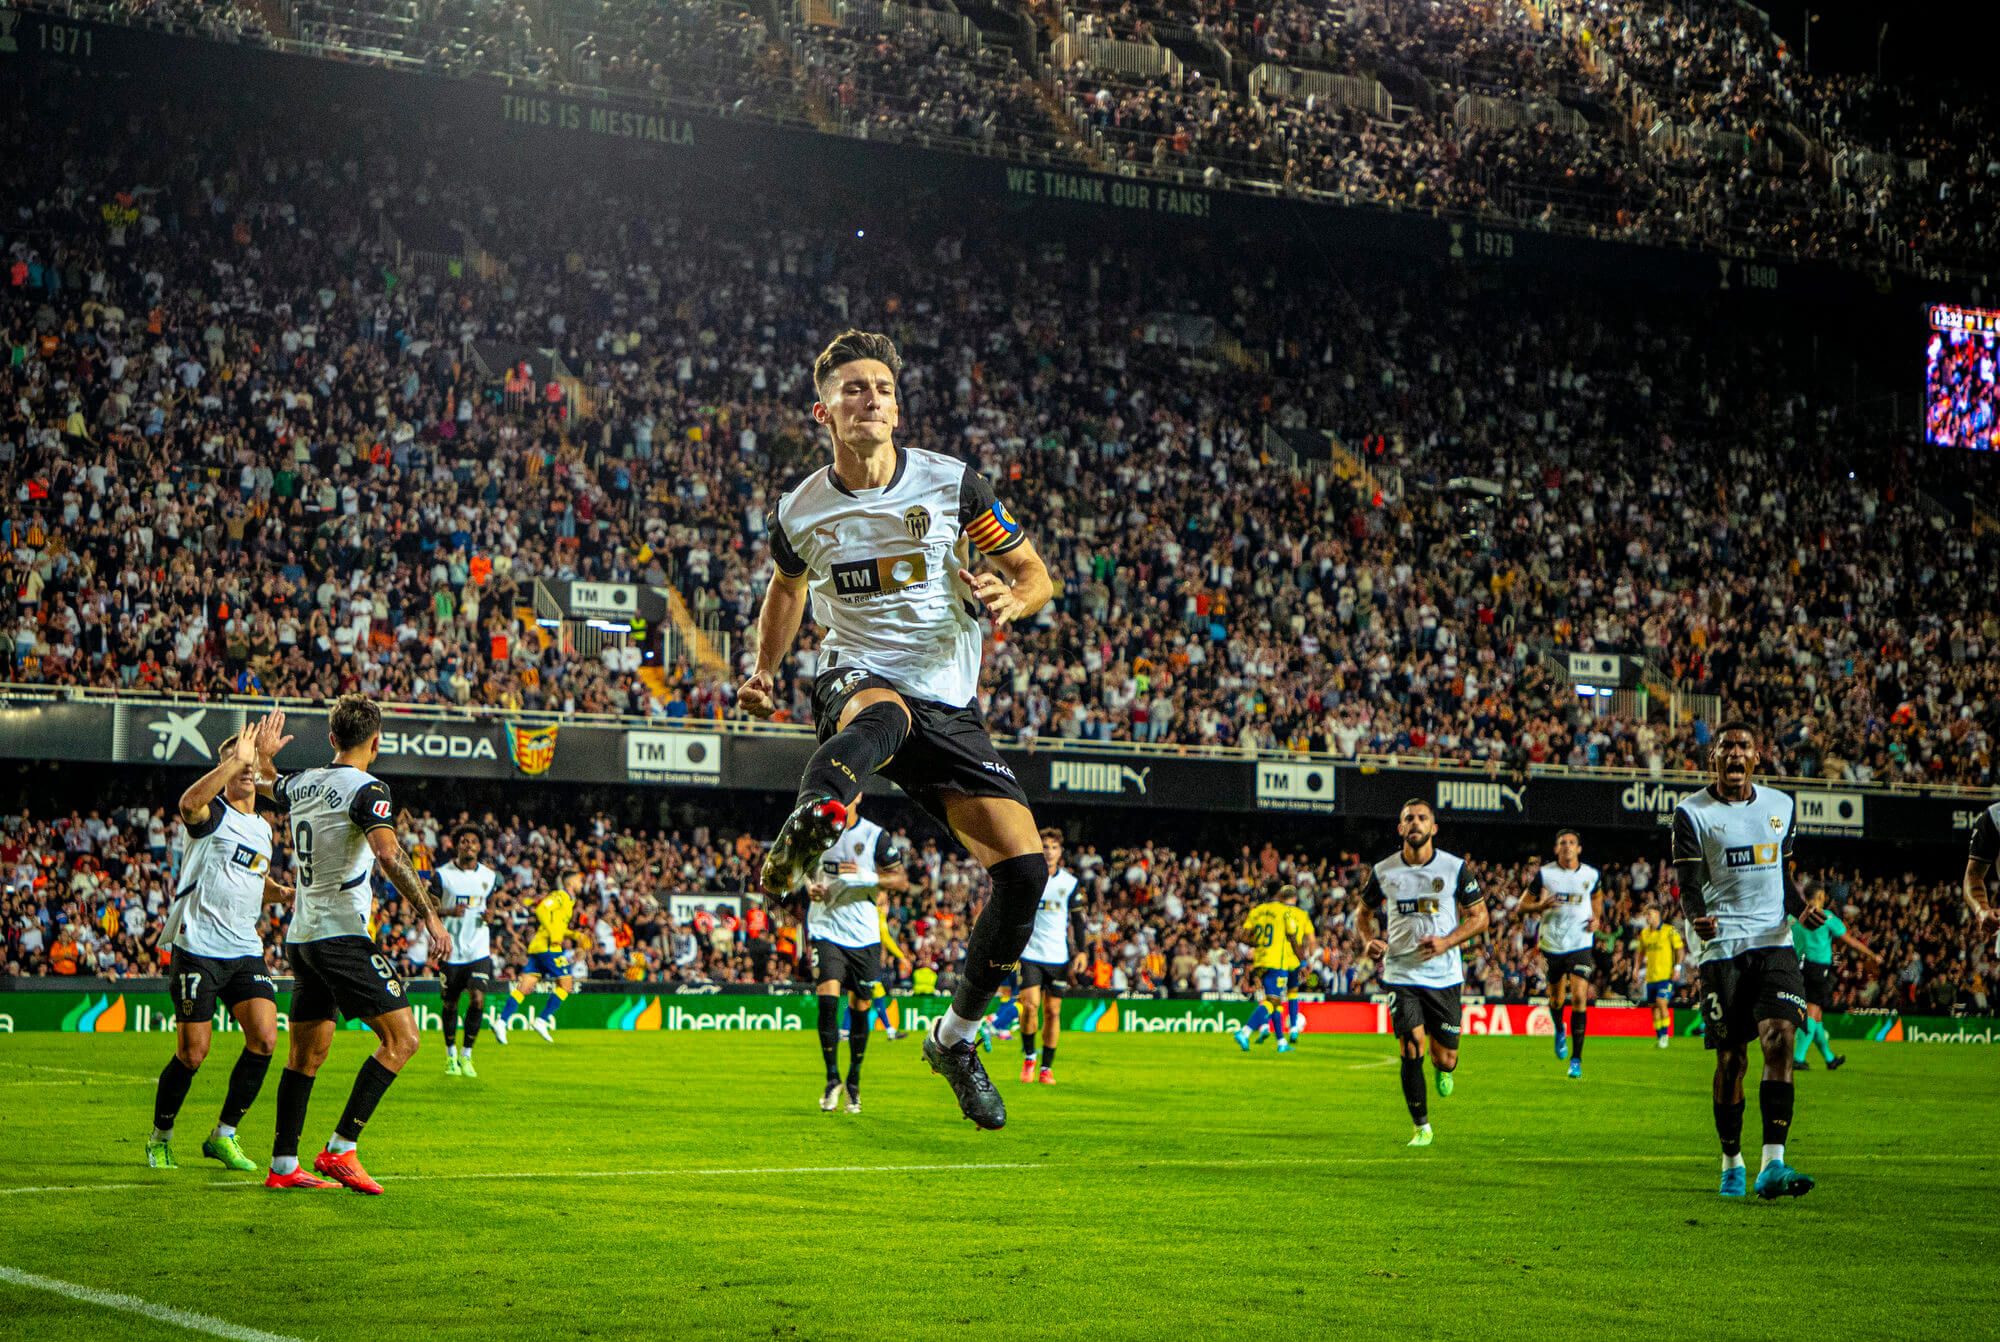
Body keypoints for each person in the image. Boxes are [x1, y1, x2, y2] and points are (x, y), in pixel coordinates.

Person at [738, 329, 1054, 1131]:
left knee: (1023, 872)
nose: (870, 396)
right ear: (825, 412)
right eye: (853, 388)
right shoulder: (802, 508)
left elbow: (1032, 572)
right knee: (880, 715)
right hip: (858, 676)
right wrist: (764, 668)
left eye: (881, 386)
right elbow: (786, 591)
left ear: (897, 407)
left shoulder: (952, 485)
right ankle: (815, 819)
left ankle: (955, 1039)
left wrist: (1015, 600)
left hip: (949, 697)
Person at [258, 699, 451, 1194]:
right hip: (341, 934)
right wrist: (429, 913)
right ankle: (341, 1148)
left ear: (330, 739)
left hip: (302, 936)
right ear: (376, 740)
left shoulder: (301, 782)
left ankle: (283, 1166)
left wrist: (260, 758)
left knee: (306, 1056)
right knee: (402, 1039)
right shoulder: (368, 790)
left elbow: (265, 784)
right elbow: (389, 853)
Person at [1673, 721, 1818, 1201]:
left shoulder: (1781, 806)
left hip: (1774, 940)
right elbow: (1689, 886)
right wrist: (1697, 918)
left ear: (1758, 756)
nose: (1735, 755)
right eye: (1726, 747)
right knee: (1732, 1060)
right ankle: (1731, 1158)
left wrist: (1802, 911)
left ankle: (1772, 1164)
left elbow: (1783, 874)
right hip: (1722, 949)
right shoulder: (1691, 813)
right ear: (1712, 757)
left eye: (1743, 747)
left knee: (1780, 1038)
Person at [146, 721, 292, 1173]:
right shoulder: (213, 814)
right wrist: (238, 758)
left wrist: (281, 894)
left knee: (265, 1040)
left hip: (245, 948)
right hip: (199, 947)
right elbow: (188, 802)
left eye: (251, 764)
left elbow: (252, 876)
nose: (248, 769)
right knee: (193, 1052)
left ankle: (224, 1135)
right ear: (227, 769)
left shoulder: (263, 828)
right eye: (239, 761)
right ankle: (160, 1137)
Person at [1356, 799, 1488, 1148]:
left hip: (1444, 977)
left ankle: (1443, 1069)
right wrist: (1369, 940)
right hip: (1401, 974)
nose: (1415, 823)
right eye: (1408, 819)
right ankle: (1421, 1127)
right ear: (1400, 828)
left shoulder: (1455, 868)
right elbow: (1362, 914)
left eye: (1422, 818)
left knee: (1445, 1058)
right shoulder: (1384, 870)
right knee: (1410, 1045)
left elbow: (1480, 917)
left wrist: (1447, 942)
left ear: (1434, 827)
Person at [803, 803, 908, 1114]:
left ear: (859, 795)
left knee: (861, 1007)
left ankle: (853, 1080)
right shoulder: (816, 830)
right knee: (827, 996)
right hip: (825, 928)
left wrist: (866, 875)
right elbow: (801, 866)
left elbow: (900, 881)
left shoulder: (874, 835)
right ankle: (832, 1078)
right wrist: (810, 886)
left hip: (863, 937)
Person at [1517, 830, 1601, 1079]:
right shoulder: (1546, 874)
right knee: (1555, 1000)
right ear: (1556, 849)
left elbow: (1596, 897)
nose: (1567, 847)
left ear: (1579, 848)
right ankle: (1559, 1028)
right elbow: (1521, 906)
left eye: (1572, 843)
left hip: (1581, 943)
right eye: (1562, 843)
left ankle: (1576, 1060)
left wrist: (1597, 918)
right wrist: (1540, 906)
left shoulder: (1591, 874)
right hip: (1553, 944)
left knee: (1578, 997)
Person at [1016, 827, 1084, 1084]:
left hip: (1058, 957)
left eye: (1054, 847)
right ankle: (1030, 1056)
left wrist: (1082, 952)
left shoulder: (1069, 883)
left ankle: (1046, 1068)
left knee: (1053, 1012)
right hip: (1031, 953)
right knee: (1030, 1006)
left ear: (1060, 852)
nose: (1049, 851)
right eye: (1045, 846)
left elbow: (1078, 921)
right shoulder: (1029, 879)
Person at [1791, 884, 1882, 1072]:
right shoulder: (1826, 917)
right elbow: (1850, 941)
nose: (1824, 898)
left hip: (1799, 966)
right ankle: (1798, 1057)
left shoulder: (1794, 917)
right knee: (1812, 1012)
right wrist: (1872, 955)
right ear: (1818, 896)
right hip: (1817, 968)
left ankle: (1829, 1058)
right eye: (1822, 895)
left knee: (1817, 1017)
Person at [435, 825, 500, 1076]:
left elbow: (491, 899)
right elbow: (429, 907)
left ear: (480, 847)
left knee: (477, 998)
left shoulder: (489, 876)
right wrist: (450, 912)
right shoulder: (443, 875)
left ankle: (467, 1055)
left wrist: (491, 914)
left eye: (473, 841)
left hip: (478, 949)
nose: (469, 845)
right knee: (450, 1004)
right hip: (451, 950)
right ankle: (450, 1055)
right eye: (464, 841)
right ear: (456, 845)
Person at [493, 870, 583, 1042]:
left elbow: (558, 927)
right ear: (570, 883)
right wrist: (552, 932)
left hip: (540, 946)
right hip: (549, 947)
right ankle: (542, 1020)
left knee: (525, 987)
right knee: (566, 984)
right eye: (579, 881)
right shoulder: (560, 896)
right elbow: (541, 909)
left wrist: (575, 935)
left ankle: (501, 1022)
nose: (581, 884)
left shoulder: (570, 901)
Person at [1233, 884, 1316, 1055]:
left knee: (1275, 1001)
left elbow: (1243, 936)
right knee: (1272, 1002)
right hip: (1276, 963)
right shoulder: (1284, 912)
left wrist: (1259, 943)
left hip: (1260, 962)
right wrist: (1302, 962)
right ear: (1279, 894)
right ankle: (1245, 1032)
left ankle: (1281, 1042)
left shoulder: (1257, 911)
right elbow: (1293, 938)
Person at [1633, 906, 1685, 1048]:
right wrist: (1636, 968)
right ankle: (1659, 1037)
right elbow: (1640, 953)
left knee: (1661, 1003)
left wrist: (1677, 968)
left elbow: (1680, 949)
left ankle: (1665, 1036)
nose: (1647, 917)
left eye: (1649, 914)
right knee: (1653, 1008)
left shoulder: (1669, 930)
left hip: (1666, 976)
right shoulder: (1644, 933)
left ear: (1657, 914)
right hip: (1651, 977)